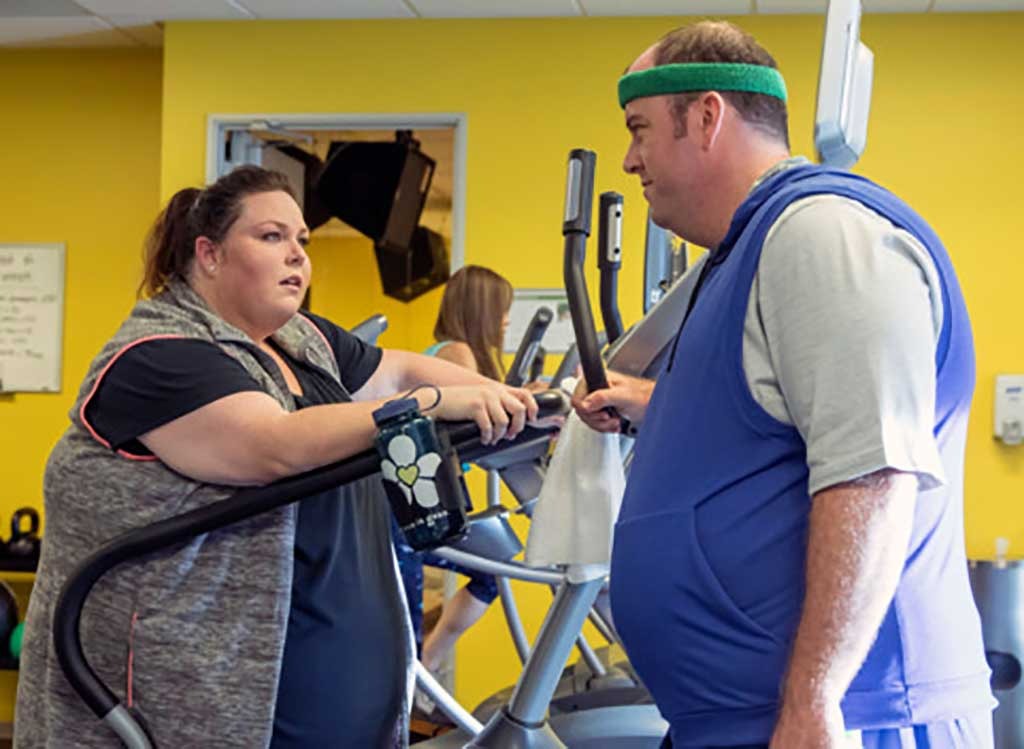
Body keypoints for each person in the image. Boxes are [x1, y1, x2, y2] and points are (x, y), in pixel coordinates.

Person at [572, 21, 994, 749]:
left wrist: (814, 700)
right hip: (742, 718)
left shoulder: (821, 233)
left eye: (639, 130)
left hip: (851, 718)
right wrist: (653, 408)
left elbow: (873, 472)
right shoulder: (748, 252)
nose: (629, 159)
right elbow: (777, 424)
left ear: (706, 116)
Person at [15, 165, 539, 749]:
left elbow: (398, 368)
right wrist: (430, 403)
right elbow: (271, 446)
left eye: (303, 241)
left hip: (345, 699)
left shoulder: (300, 340)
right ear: (209, 254)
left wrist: (514, 402)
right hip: (212, 703)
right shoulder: (158, 354)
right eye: (272, 237)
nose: (297, 255)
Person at [394, 265, 536, 711]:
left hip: (424, 503)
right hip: (410, 509)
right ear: (482, 310)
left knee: (490, 572)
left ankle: (426, 667)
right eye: (503, 311)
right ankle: (416, 684)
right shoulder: (456, 353)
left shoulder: (453, 354)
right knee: (407, 619)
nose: (507, 320)